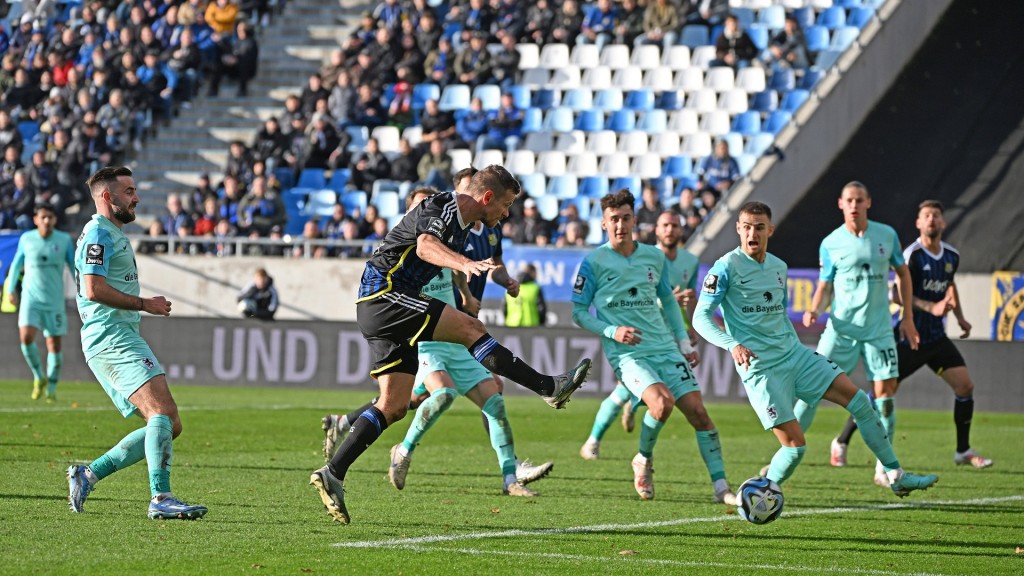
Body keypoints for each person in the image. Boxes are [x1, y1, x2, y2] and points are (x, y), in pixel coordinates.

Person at [309, 165, 591, 524]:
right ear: (487, 197)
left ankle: (333, 472)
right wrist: (465, 263)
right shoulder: (444, 206)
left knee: (394, 406)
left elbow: (438, 253)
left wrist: (463, 279)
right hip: (385, 294)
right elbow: (426, 246)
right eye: (505, 206)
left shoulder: (465, 227)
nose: (505, 214)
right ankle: (549, 387)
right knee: (471, 329)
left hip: (386, 303)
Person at [692, 200, 937, 501]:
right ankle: (757, 495)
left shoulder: (778, 267)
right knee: (795, 447)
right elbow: (700, 317)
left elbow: (777, 315)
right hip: (760, 369)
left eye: (759, 227)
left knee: (861, 402)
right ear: (738, 229)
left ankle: (895, 475)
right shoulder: (726, 267)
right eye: (746, 227)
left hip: (795, 355)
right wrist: (733, 345)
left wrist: (794, 345)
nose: (752, 233)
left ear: (770, 229)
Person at [573, 190, 737, 504]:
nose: (620, 225)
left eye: (625, 218)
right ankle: (643, 459)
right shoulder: (593, 262)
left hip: (665, 347)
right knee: (661, 403)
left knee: (700, 415)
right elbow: (578, 313)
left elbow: (669, 303)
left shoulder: (653, 256)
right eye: (613, 220)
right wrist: (613, 330)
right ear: (604, 224)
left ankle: (721, 488)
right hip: (628, 353)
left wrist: (684, 340)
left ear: (634, 220)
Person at [386, 186, 546, 497]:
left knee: (495, 403)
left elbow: (455, 264)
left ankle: (509, 480)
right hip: (425, 335)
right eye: (418, 207)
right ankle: (403, 451)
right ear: (408, 212)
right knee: (443, 394)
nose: (424, 212)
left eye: (427, 206)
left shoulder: (443, 236)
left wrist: (466, 294)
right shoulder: (402, 246)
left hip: (454, 335)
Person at [66, 166, 207, 520]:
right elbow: (92, 289)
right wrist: (147, 304)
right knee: (161, 413)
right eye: (128, 191)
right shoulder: (99, 233)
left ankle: (89, 473)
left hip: (121, 334)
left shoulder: (109, 232)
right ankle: (161, 498)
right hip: (110, 336)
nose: (136, 198)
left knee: (169, 423)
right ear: (107, 197)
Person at [829, 200, 992, 469]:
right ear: (919, 223)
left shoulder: (952, 255)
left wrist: (960, 317)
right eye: (926, 216)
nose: (931, 220)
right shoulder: (912, 254)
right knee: (882, 394)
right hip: (908, 337)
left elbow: (949, 286)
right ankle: (842, 440)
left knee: (965, 386)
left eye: (936, 216)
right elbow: (896, 293)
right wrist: (930, 306)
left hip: (936, 339)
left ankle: (962, 451)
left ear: (943, 223)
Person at [797, 181, 920, 488]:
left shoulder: (886, 235)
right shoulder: (831, 242)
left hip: (879, 330)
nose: (854, 205)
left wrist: (908, 317)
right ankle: (787, 451)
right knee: (810, 389)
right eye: (849, 200)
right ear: (841, 203)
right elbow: (825, 284)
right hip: (841, 330)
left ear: (868, 202)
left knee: (886, 397)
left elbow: (903, 274)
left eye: (859, 200)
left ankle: (884, 468)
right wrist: (814, 308)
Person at [4, 203, 74, 401]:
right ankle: (38, 376)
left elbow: (74, 265)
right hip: (30, 299)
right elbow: (17, 264)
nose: (46, 221)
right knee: (25, 338)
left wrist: (84, 290)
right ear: (35, 219)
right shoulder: (27, 239)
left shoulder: (64, 240)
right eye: (43, 217)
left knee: (54, 344)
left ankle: (51, 387)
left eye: (50, 217)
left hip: (54, 301)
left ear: (55, 220)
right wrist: (10, 290)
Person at [505, 263, 546, 327]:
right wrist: (541, 324)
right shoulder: (535, 288)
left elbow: (504, 308)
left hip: (511, 326)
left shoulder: (510, 287)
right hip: (531, 327)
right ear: (532, 273)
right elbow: (541, 309)